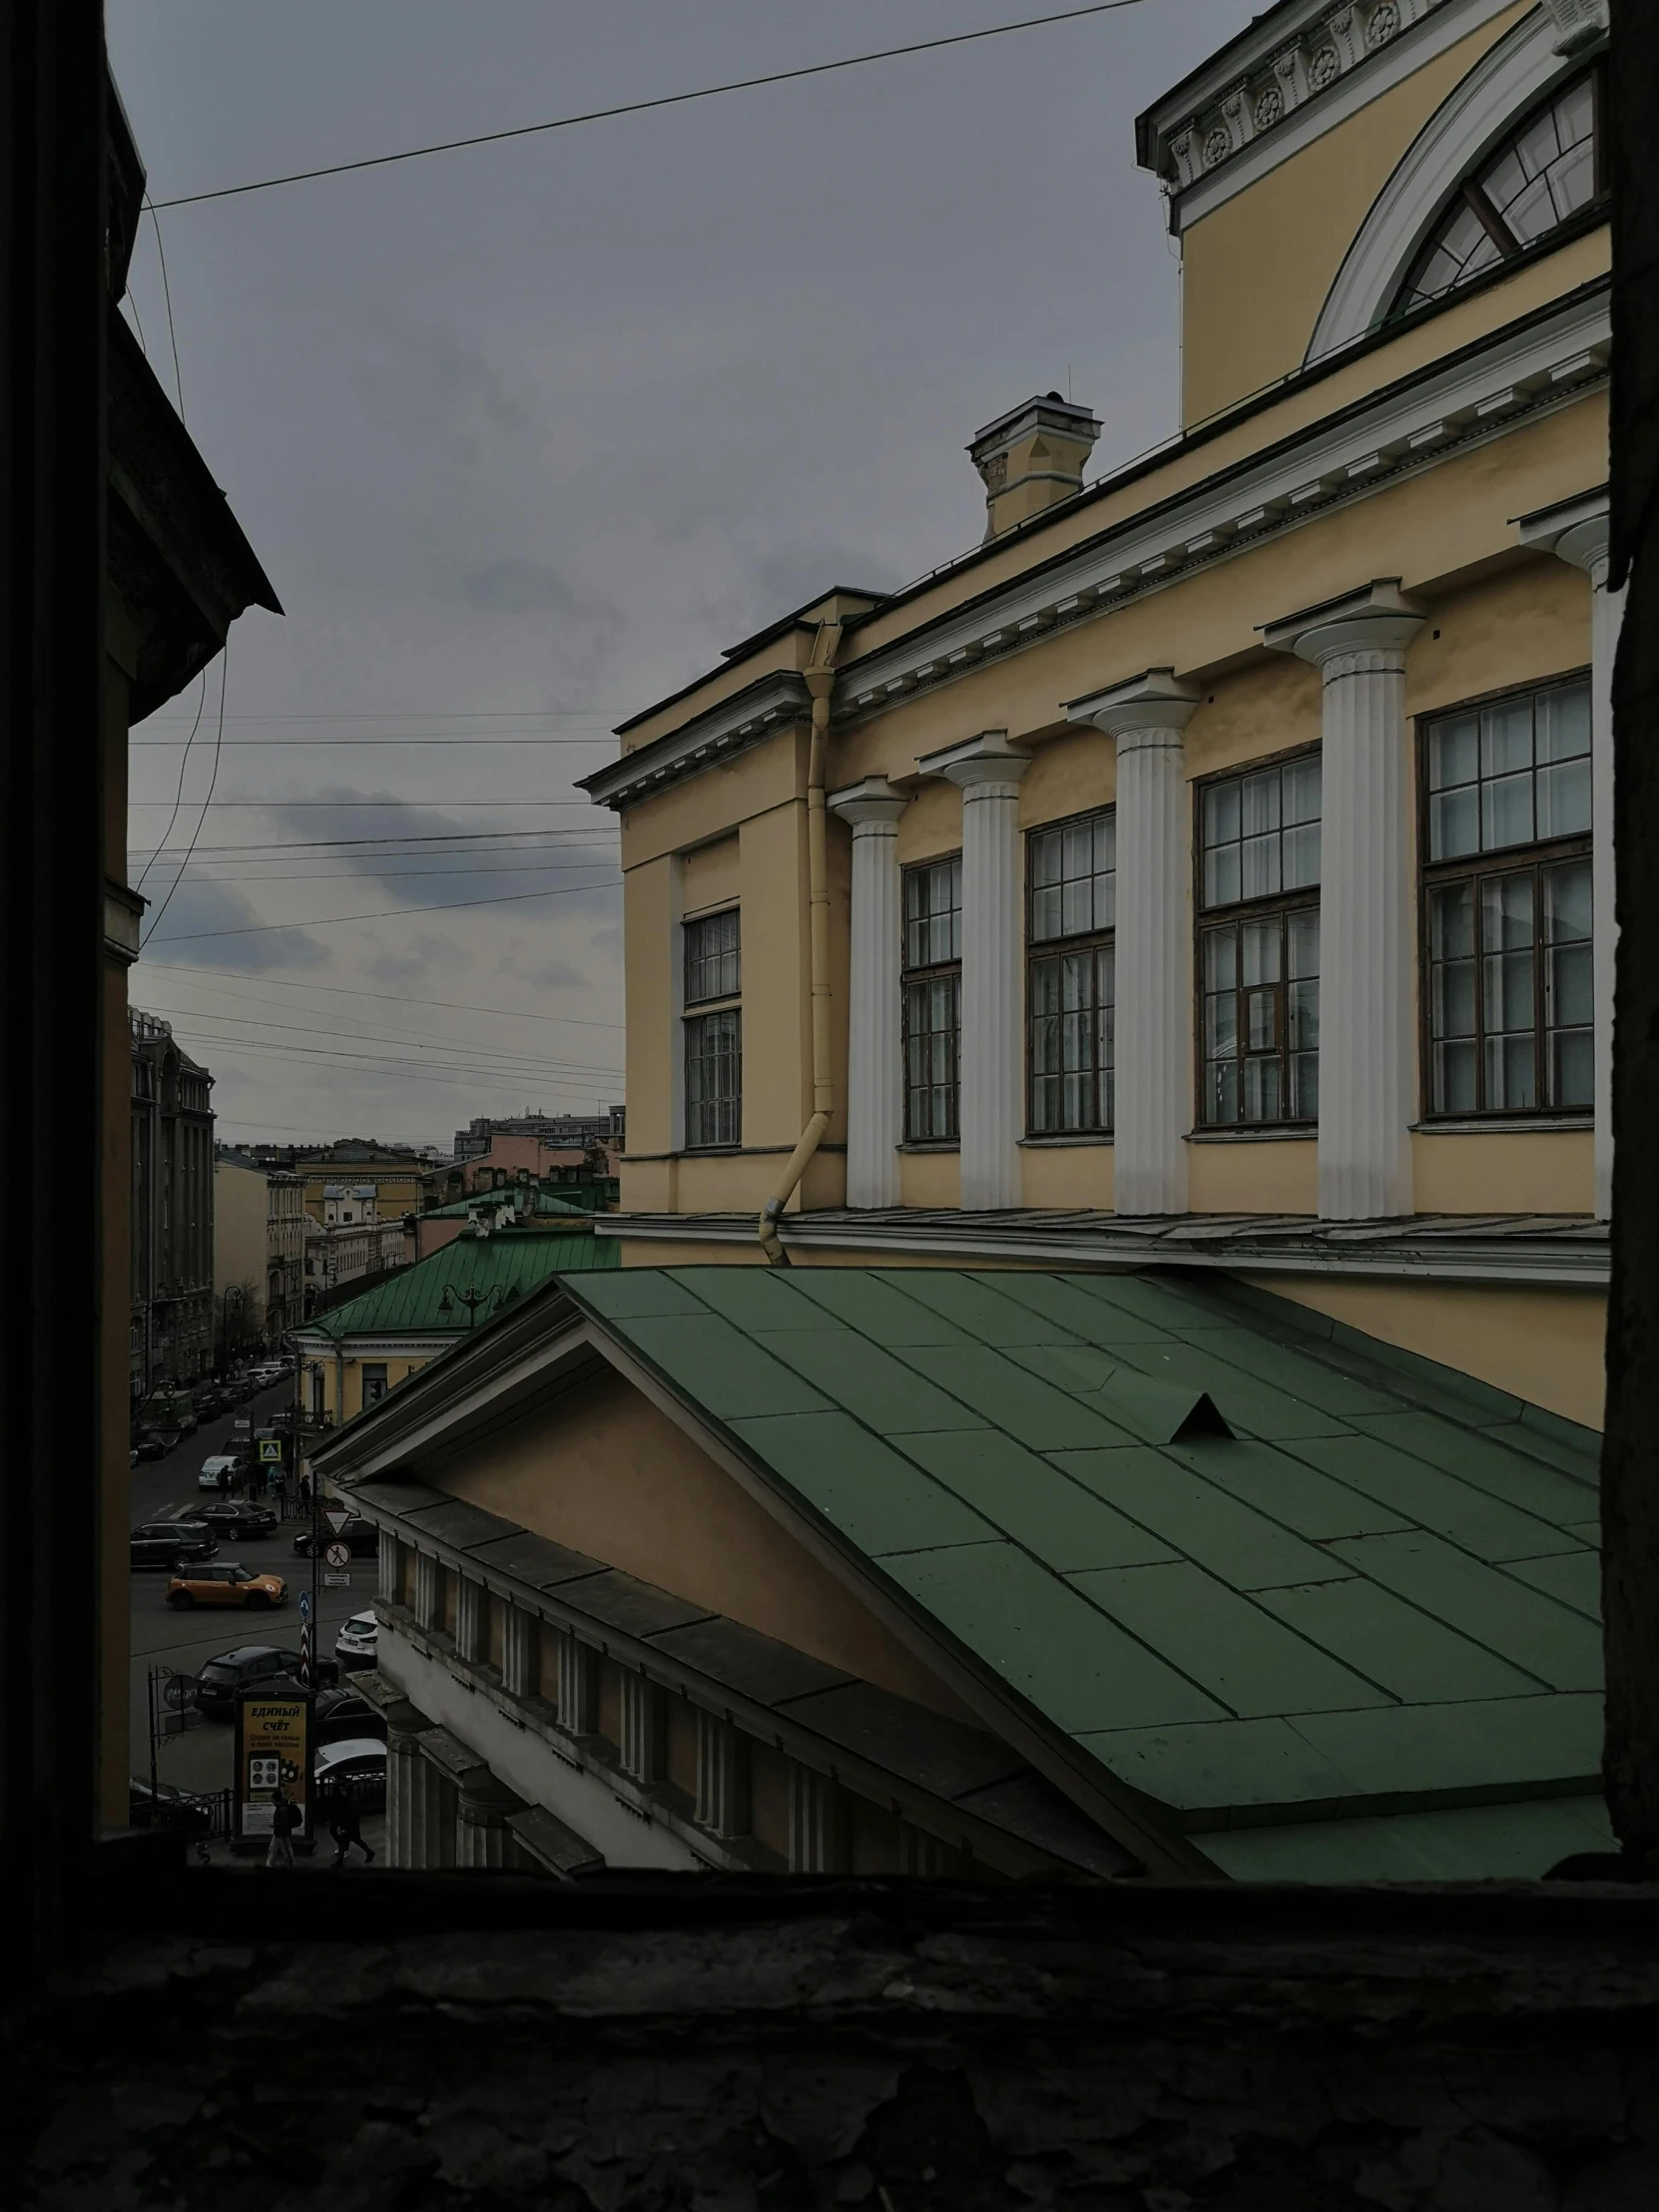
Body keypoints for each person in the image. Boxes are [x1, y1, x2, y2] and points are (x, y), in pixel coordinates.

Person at [327, 1792, 374, 1870]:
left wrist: (345, 1827)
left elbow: (349, 1815)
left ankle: (340, 1861)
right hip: (352, 1825)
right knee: (356, 1840)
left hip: (348, 1825)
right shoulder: (352, 1801)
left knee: (345, 1841)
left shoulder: (350, 1803)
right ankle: (369, 1852)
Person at [265, 1783, 298, 1870]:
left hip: (280, 1832)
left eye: (273, 1800)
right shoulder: (282, 1805)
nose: (272, 1802)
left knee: (281, 1849)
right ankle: (290, 1863)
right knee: (282, 1847)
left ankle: (286, 1863)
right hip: (283, 1831)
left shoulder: (282, 1808)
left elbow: (283, 1822)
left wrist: (274, 1825)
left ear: (276, 1799)